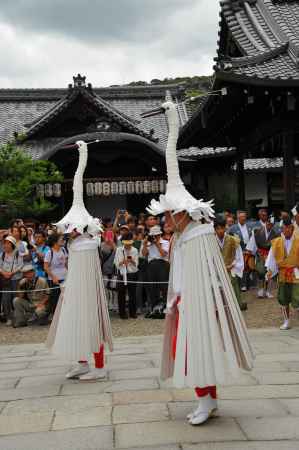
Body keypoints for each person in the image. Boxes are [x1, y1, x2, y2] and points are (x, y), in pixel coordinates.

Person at [141, 99, 253, 426]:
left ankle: (206, 399)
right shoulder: (182, 237)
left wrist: (194, 299)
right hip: (186, 301)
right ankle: (208, 399)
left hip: (200, 303)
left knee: (196, 350)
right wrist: (176, 298)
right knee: (188, 349)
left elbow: (208, 273)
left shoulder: (200, 234)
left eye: (169, 214)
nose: (166, 220)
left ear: (181, 213)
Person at [46, 140, 113, 381]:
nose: (68, 231)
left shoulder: (86, 244)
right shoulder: (74, 245)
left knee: (91, 323)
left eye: (71, 229)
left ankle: (99, 366)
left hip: (88, 290)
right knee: (75, 323)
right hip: (74, 287)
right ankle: (82, 362)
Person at [266, 218, 299, 330]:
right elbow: (272, 258)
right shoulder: (276, 242)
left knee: (297, 297)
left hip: (296, 273)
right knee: (283, 298)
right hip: (283, 274)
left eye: (287, 228)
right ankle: (286, 321)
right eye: (283, 228)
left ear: (292, 228)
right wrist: (270, 271)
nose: (285, 230)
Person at [214, 217, 247, 311]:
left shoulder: (233, 240)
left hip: (230, 270)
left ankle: (235, 307)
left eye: (222, 228)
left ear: (225, 228)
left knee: (233, 286)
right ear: (215, 229)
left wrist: (232, 265)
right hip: (216, 271)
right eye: (217, 228)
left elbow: (239, 257)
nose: (220, 231)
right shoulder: (211, 241)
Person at [246, 216, 280, 299]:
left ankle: (268, 290)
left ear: (273, 225)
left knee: (270, 272)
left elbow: (276, 247)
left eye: (271, 224)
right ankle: (261, 290)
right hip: (260, 254)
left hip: (270, 255)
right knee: (260, 272)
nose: (269, 225)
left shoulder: (275, 234)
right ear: (266, 222)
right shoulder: (257, 232)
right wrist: (250, 254)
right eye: (268, 223)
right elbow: (252, 245)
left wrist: (272, 256)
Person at [141, 225, 169, 316]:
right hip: (151, 265)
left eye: (156, 235)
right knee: (152, 287)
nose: (154, 237)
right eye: (153, 236)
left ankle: (165, 307)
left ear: (159, 235)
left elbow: (164, 254)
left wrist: (157, 244)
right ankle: (153, 307)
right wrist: (145, 244)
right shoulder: (149, 243)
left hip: (162, 264)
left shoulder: (165, 242)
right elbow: (144, 254)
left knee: (164, 286)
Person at [114, 232, 139, 319]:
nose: (127, 245)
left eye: (129, 243)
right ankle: (122, 313)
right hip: (122, 274)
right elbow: (116, 264)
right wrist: (123, 261)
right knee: (121, 294)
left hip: (132, 274)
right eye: (126, 244)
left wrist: (131, 260)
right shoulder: (119, 250)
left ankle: (133, 312)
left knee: (133, 294)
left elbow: (136, 264)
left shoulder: (135, 250)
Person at [228, 211, 255, 291]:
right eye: (242, 217)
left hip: (249, 249)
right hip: (240, 250)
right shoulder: (233, 228)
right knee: (242, 267)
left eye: (244, 217)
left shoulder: (249, 226)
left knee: (250, 266)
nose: (244, 218)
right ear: (238, 218)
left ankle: (249, 284)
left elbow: (253, 237)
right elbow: (229, 238)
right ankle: (242, 285)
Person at [0, 236, 23, 326]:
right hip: (5, 280)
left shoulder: (18, 254)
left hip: (16, 279)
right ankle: (8, 317)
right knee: (5, 299)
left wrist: (12, 273)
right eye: (4, 243)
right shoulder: (2, 254)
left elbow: (20, 266)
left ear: (12, 244)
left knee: (16, 298)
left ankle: (18, 316)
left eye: (8, 243)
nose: (5, 245)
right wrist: (4, 273)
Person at [44, 233, 68, 314]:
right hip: (54, 279)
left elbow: (66, 264)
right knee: (55, 298)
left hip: (65, 278)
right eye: (61, 239)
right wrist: (53, 277)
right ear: (55, 241)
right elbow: (46, 267)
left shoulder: (64, 250)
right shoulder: (49, 252)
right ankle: (55, 315)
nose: (63, 240)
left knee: (65, 298)